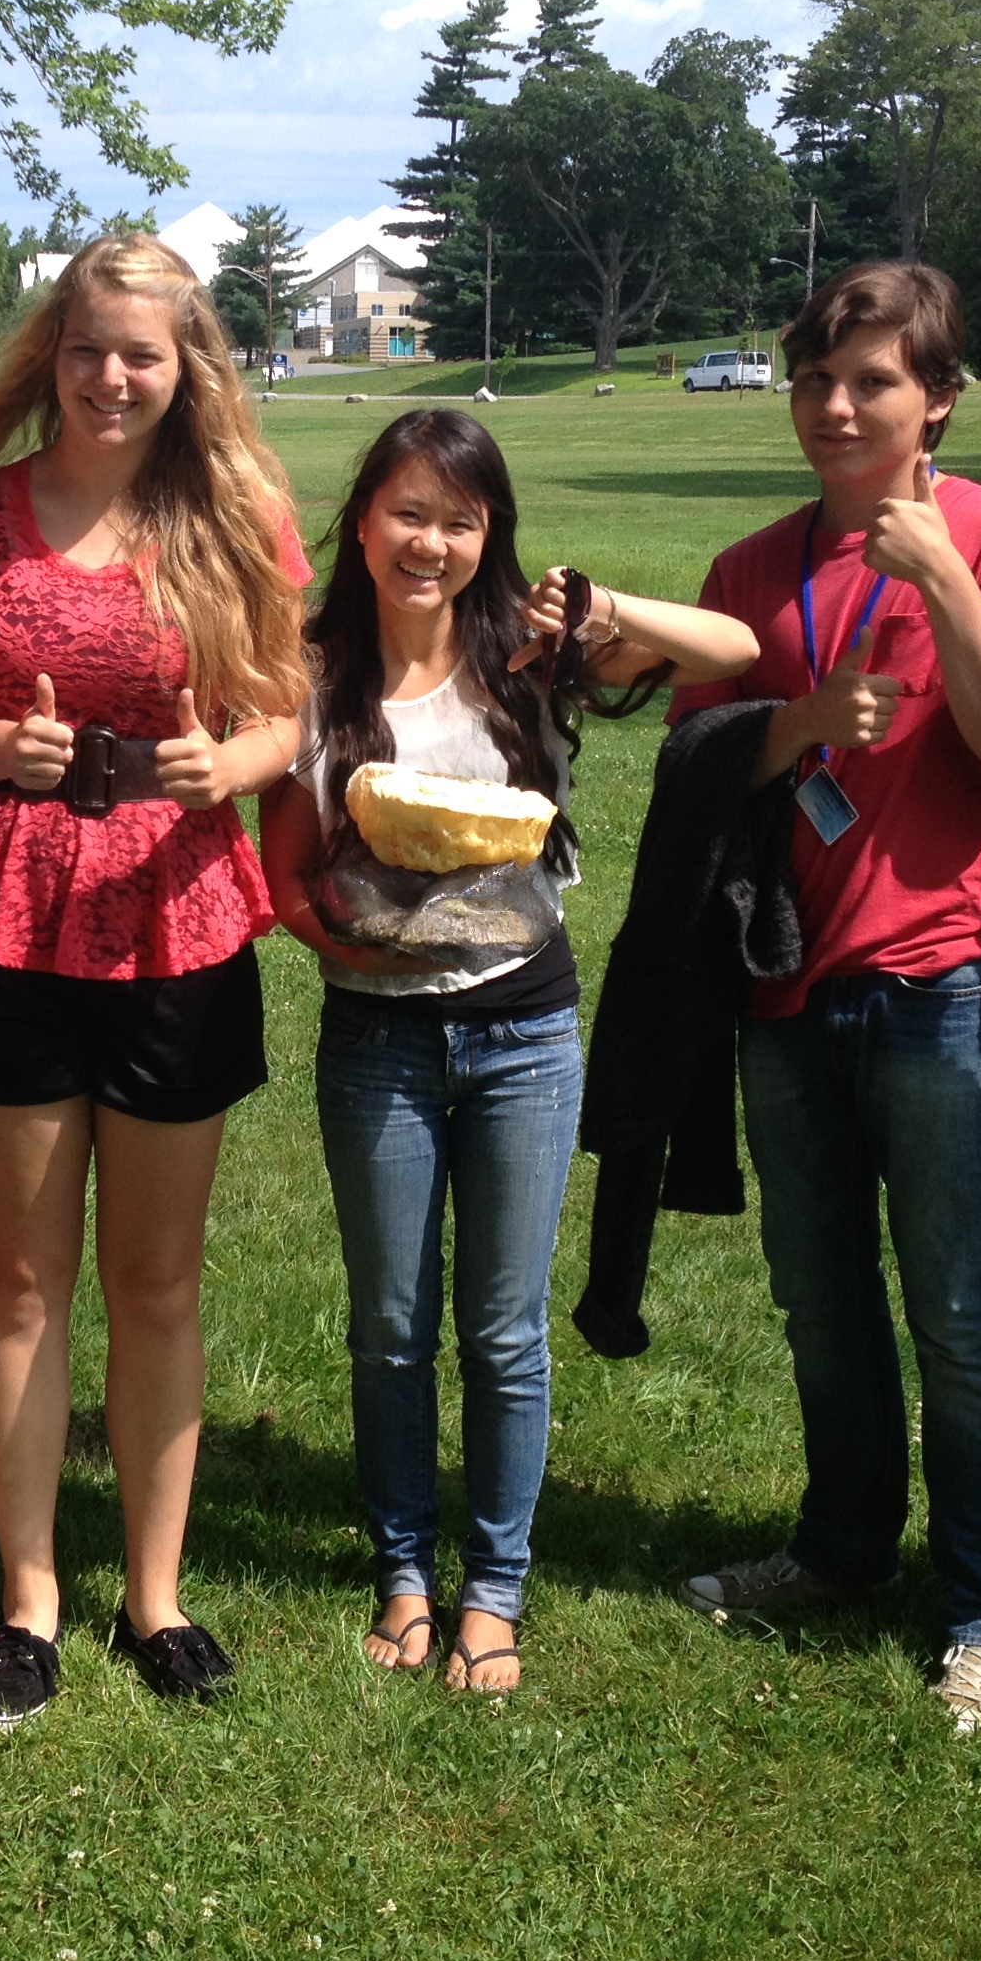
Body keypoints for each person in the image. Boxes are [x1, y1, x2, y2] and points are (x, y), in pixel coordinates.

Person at [259, 410, 753, 1693]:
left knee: (504, 1331)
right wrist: (338, 939)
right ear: (363, 521)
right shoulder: (310, 673)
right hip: (376, 1036)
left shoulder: (528, 659)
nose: (429, 543)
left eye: (460, 521)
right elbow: (285, 867)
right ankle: (403, 1570)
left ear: (491, 537)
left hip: (526, 1032)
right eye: (407, 513)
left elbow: (736, 649)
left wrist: (602, 608)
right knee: (389, 1326)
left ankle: (494, 1587)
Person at [0, 233, 312, 1723]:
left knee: (155, 1279)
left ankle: (155, 1594)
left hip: (179, 915)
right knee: (20, 1278)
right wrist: (0, 745)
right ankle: (29, 1601)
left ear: (187, 364)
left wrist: (231, 765)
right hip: (13, 911)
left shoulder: (239, 515)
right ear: (49, 355)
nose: (111, 377)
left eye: (142, 352)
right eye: (87, 349)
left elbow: (285, 712)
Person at [665, 262, 981, 1735]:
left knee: (959, 1311)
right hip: (786, 988)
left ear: (939, 401)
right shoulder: (751, 569)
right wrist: (792, 728)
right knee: (823, 1302)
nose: (835, 408)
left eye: (872, 383)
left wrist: (948, 581)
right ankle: (843, 1547)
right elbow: (698, 766)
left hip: (943, 984)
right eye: (815, 381)